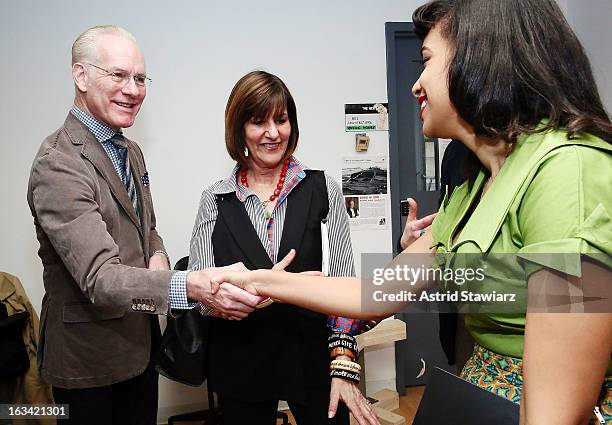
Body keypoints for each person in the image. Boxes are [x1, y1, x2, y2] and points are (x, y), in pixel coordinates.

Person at [210, 1, 612, 423]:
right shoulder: (477, 185)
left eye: (427, 62)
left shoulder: (570, 173)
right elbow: (376, 292)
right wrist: (259, 279)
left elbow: (555, 415)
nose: (416, 84)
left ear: (481, 60)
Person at [26, 25, 258, 425]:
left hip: (139, 348)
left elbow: (147, 229)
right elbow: (99, 278)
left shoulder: (129, 150)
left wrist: (159, 256)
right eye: (117, 75)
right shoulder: (58, 163)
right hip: (89, 367)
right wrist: (191, 285)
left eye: (139, 78)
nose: (132, 89)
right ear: (80, 76)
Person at [187, 70, 379, 425]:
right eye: (259, 121)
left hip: (314, 358)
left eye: (282, 119)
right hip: (241, 361)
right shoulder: (216, 199)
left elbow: (342, 287)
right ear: (239, 128)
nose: (273, 133)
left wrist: (343, 364)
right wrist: (270, 293)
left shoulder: (324, 189)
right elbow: (202, 298)